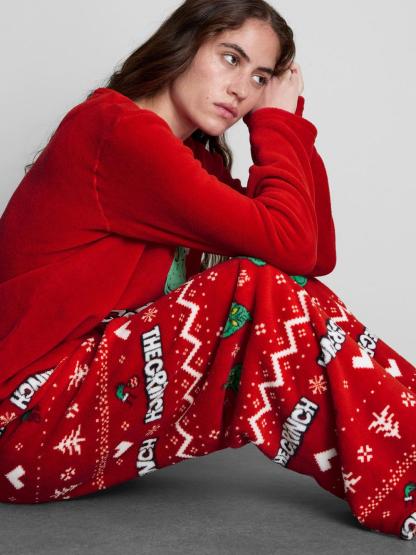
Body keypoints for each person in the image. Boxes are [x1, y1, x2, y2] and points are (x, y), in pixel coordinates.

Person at [0, 0, 414, 542]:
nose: (242, 89)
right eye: (230, 58)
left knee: (278, 283)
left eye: (260, 77)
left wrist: (290, 125)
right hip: (24, 421)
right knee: (251, 286)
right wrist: (277, 122)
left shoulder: (194, 160)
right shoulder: (115, 131)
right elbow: (291, 245)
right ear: (184, 44)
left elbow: (312, 254)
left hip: (74, 416)